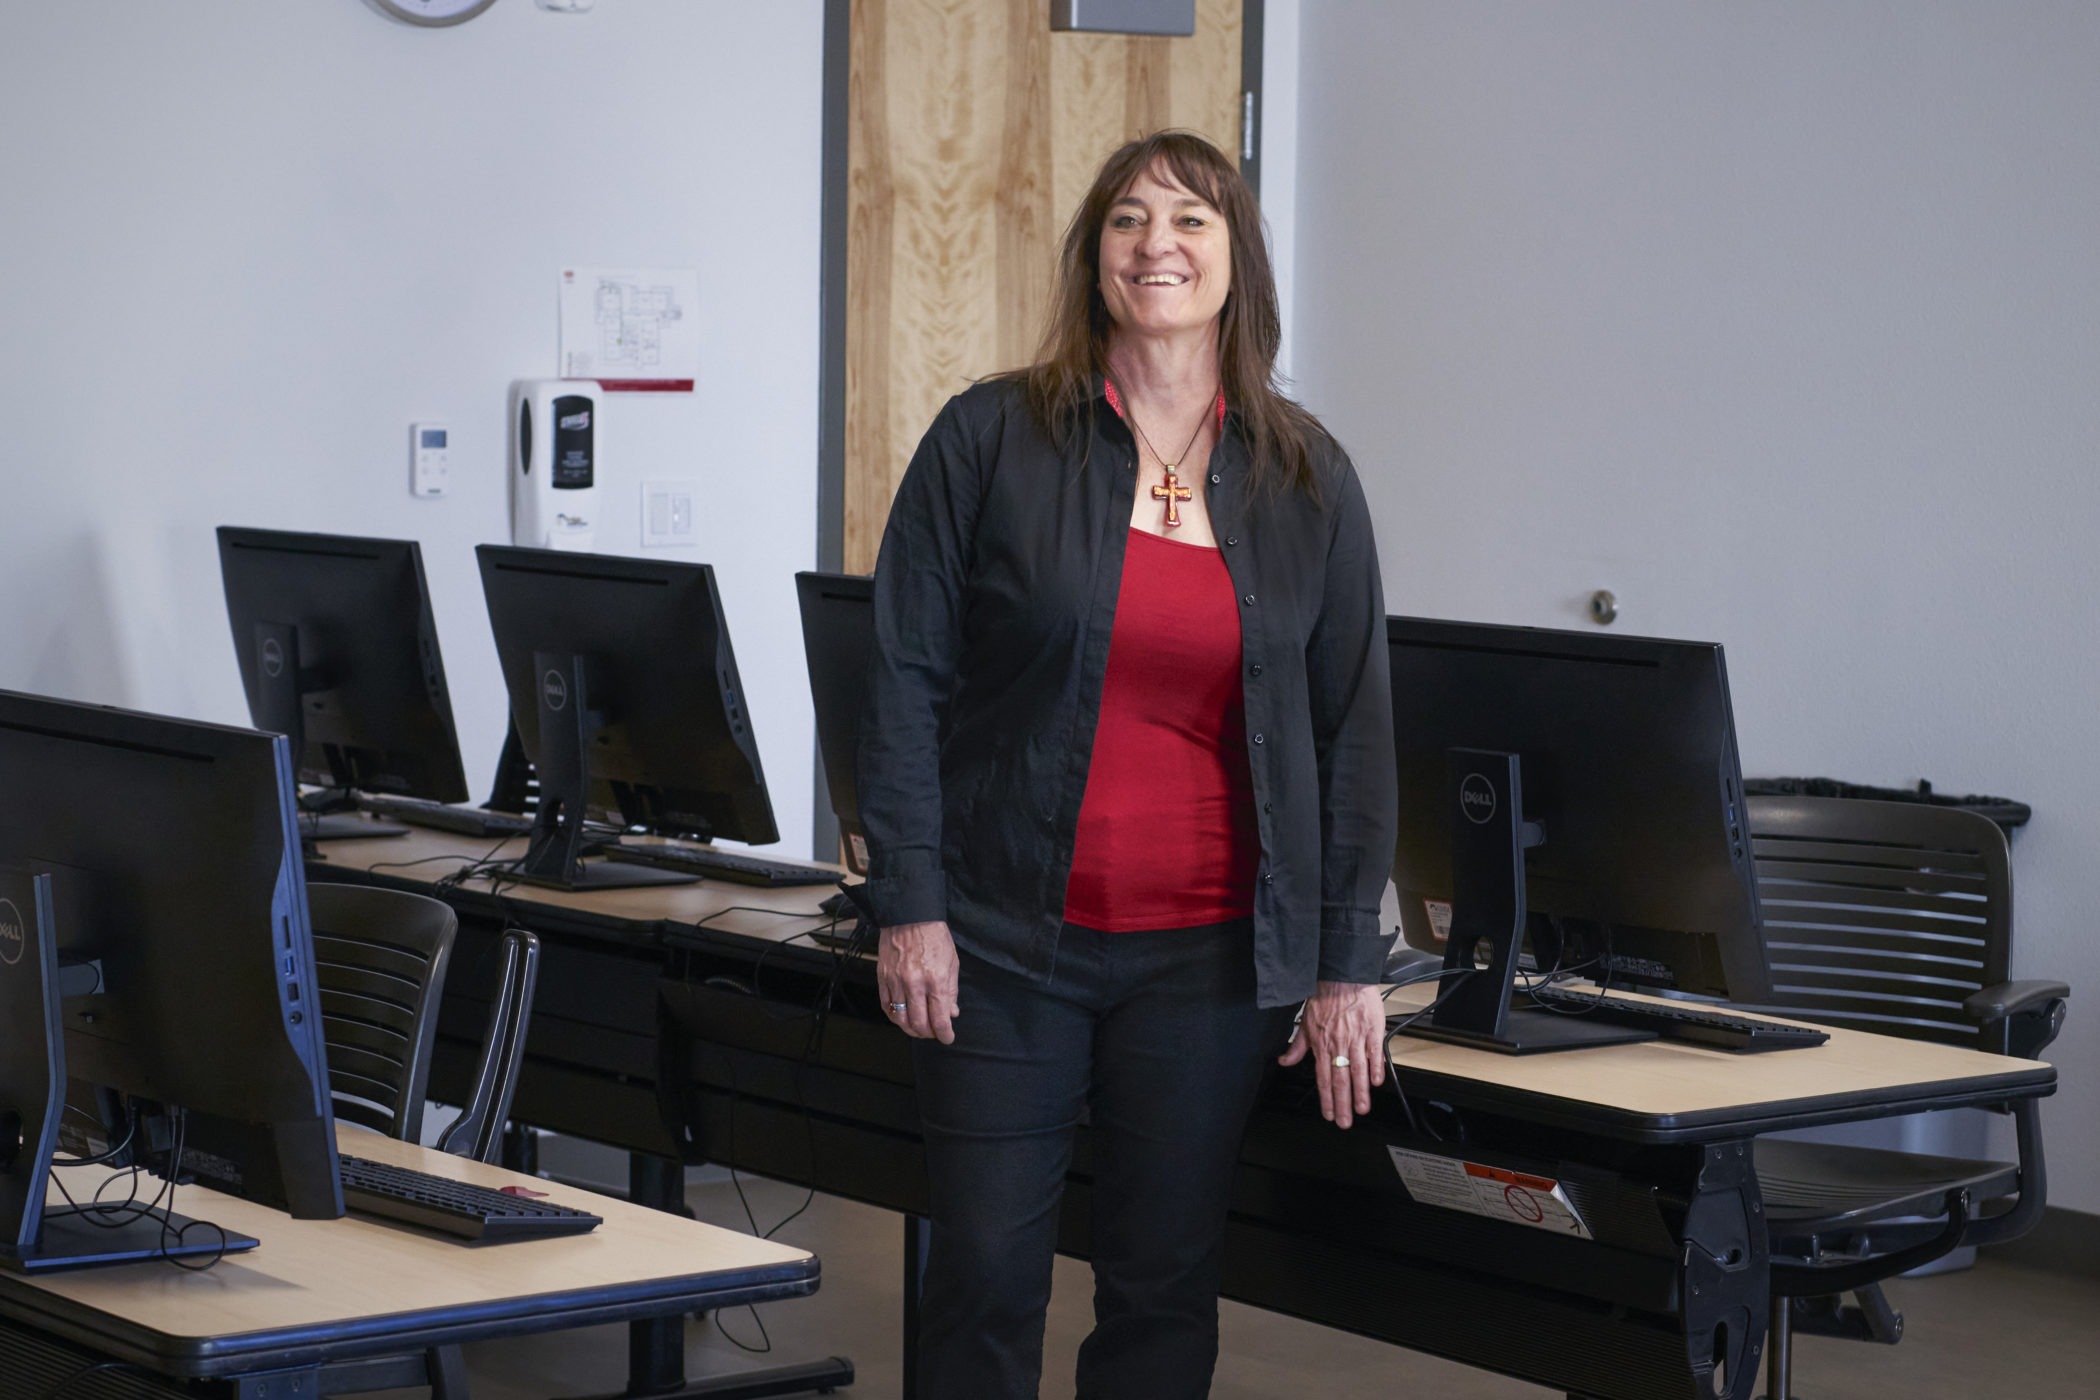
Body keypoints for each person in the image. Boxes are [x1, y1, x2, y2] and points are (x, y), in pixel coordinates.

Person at [857, 130, 1396, 1400]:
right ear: (1093, 256)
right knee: (985, 1273)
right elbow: (901, 680)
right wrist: (910, 905)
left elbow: (1354, 727)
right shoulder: (991, 438)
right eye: (1128, 221)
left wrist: (1346, 964)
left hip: (1208, 962)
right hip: (998, 944)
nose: (1157, 244)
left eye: (1191, 221)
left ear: (1236, 261)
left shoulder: (1308, 476)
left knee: (1162, 1290)